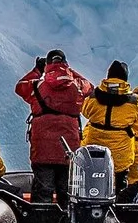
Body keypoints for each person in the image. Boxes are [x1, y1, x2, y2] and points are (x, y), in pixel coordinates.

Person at [15, 49, 87, 201]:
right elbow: (90, 87)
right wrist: (66, 70)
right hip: (68, 146)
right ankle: (67, 221)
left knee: (43, 188)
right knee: (66, 189)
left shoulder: (37, 85)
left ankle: (40, 220)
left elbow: (20, 87)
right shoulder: (78, 85)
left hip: (42, 146)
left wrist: (38, 70)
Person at [81, 62, 138, 184]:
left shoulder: (94, 96)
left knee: (93, 181)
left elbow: (85, 112)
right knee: (118, 183)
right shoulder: (134, 101)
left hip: (95, 146)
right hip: (121, 151)